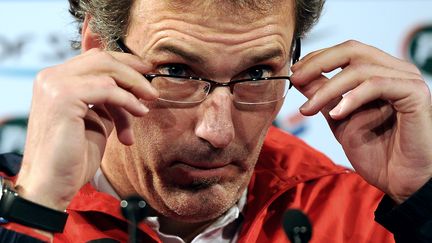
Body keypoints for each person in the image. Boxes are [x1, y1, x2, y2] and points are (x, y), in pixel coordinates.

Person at [0, 0, 431, 242]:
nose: (218, 132)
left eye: (257, 74)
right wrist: (33, 211)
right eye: (177, 72)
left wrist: (423, 202)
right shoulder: (19, 212)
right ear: (98, 47)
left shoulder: (362, 214)